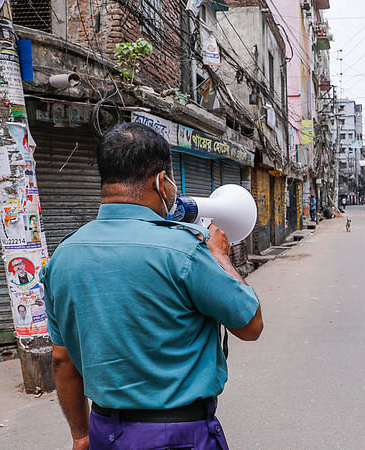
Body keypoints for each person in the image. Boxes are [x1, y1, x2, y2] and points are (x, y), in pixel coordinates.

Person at [43, 123, 263, 450]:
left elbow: (62, 360)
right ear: (162, 181)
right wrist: (220, 256)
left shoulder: (62, 256)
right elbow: (250, 325)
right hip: (179, 436)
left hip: (106, 431)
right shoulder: (188, 250)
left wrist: (81, 435)